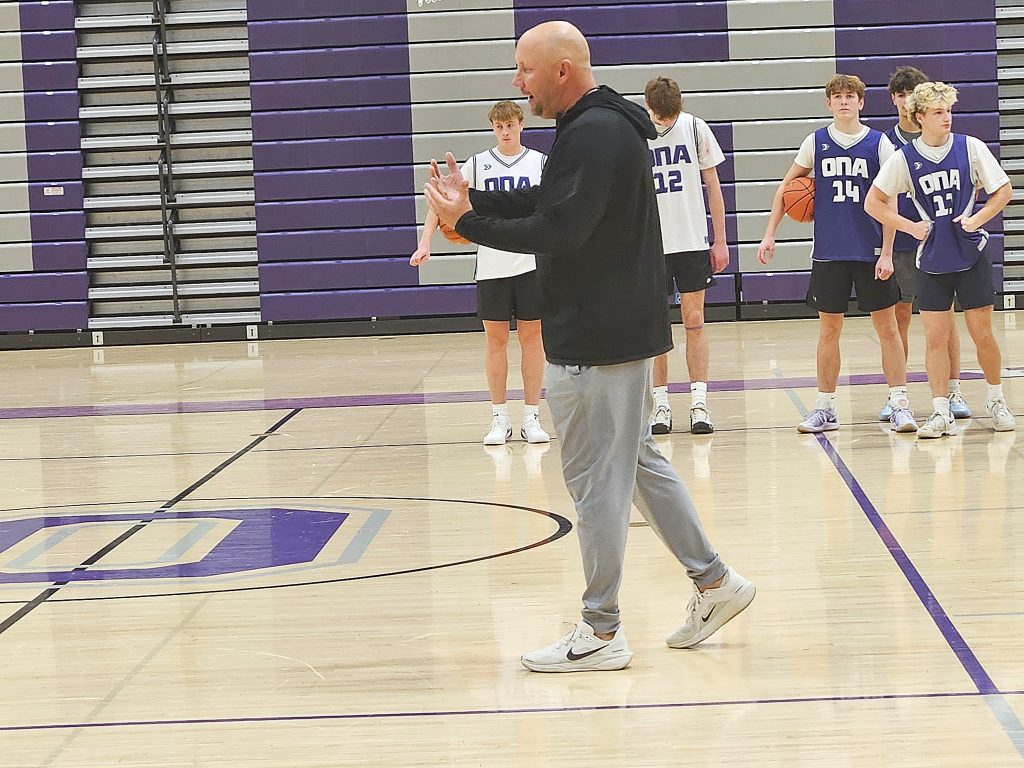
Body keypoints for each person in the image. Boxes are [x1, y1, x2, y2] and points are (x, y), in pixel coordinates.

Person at [423, 20, 754, 673]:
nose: (517, 84)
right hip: (607, 327)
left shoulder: (598, 133)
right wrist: (474, 200)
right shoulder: (592, 129)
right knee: (636, 464)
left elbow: (562, 230)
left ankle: (601, 630)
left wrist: (470, 222)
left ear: (561, 71)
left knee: (597, 483)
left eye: (524, 70)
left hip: (598, 334)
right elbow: (554, 202)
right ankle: (716, 583)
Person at [757, 74, 918, 434]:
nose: (844, 101)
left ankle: (899, 404)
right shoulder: (815, 142)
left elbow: (890, 201)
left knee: (888, 329)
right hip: (829, 252)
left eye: (851, 96)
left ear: (862, 102)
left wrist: (888, 252)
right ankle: (825, 407)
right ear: (828, 103)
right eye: (837, 96)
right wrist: (770, 234)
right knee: (828, 331)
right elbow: (786, 189)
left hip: (871, 250)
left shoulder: (879, 144)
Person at [865, 81, 1016, 438]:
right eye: (938, 112)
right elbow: (873, 202)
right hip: (931, 259)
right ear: (919, 117)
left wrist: (976, 220)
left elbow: (1004, 190)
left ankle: (996, 399)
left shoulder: (970, 148)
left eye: (948, 111)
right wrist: (909, 227)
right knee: (935, 337)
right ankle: (940, 410)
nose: (946, 118)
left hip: (971, 254)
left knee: (982, 334)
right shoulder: (904, 158)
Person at [411, 101, 550, 446]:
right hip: (491, 265)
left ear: (521, 125)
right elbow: (442, 203)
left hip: (532, 262)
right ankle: (499, 417)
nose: (505, 131)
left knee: (533, 340)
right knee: (496, 341)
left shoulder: (539, 163)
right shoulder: (477, 164)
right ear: (493, 128)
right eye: (499, 126)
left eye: (510, 125)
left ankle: (531, 415)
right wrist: (425, 242)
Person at [881, 66, 970, 422]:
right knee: (899, 317)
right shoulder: (886, 142)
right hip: (903, 238)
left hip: (940, 240)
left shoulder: (946, 138)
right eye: (900, 95)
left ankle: (953, 389)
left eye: (912, 93)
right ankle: (898, 396)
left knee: (944, 319)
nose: (906, 101)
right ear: (894, 100)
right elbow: (878, 197)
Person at [644, 76, 729, 435]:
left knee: (694, 319)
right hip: (651, 245)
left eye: (669, 116)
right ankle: (660, 404)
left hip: (692, 240)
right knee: (655, 326)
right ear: (649, 108)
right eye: (659, 117)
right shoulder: (639, 133)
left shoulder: (695, 127)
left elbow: (713, 185)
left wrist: (721, 240)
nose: (664, 122)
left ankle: (699, 402)